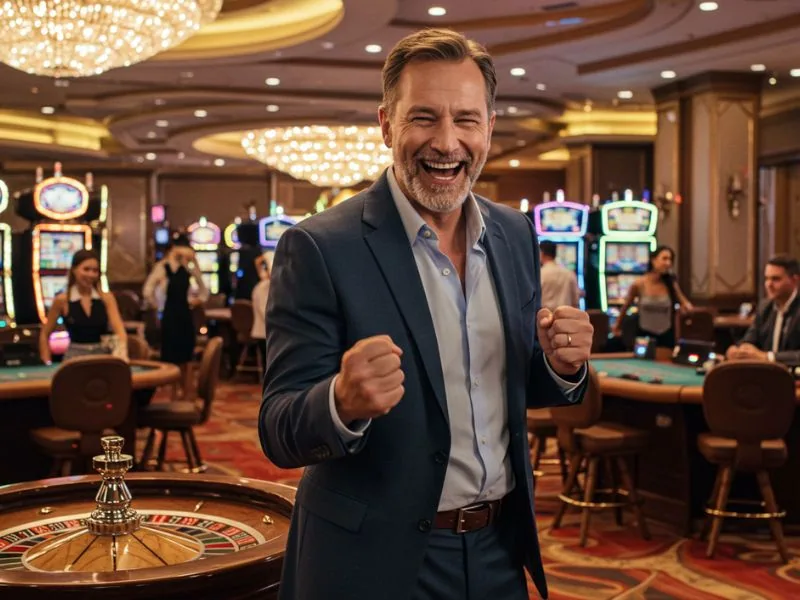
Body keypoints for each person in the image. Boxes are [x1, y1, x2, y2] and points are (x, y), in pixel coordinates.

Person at [260, 29, 593, 600]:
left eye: (466, 119)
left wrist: (561, 367)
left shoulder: (515, 234)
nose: (446, 142)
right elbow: (279, 429)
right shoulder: (319, 246)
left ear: (489, 126)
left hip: (497, 549)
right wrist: (339, 401)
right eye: (423, 118)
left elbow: (504, 383)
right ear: (387, 124)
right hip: (374, 561)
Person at [143, 233, 208, 397]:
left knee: (187, 355)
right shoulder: (162, 267)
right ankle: (172, 391)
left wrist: (197, 300)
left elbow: (203, 290)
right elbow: (147, 291)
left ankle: (186, 390)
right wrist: (158, 306)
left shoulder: (188, 268)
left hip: (185, 314)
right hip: (170, 315)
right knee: (171, 354)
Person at [39, 249, 127, 364]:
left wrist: (122, 355)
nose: (91, 274)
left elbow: (120, 332)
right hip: (74, 359)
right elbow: (45, 334)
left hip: (101, 357)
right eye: (86, 269)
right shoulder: (62, 300)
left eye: (95, 270)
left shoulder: (106, 298)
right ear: (74, 270)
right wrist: (47, 362)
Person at [612, 245, 693, 348]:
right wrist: (617, 326)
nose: (668, 263)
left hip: (666, 335)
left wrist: (686, 308)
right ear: (653, 260)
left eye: (670, 260)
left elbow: (685, 304)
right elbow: (626, 306)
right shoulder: (639, 283)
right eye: (664, 259)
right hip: (644, 333)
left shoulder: (671, 284)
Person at [726, 254, 800, 366]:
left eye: (776, 279)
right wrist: (738, 351)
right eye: (767, 279)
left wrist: (767, 357)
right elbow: (749, 340)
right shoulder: (765, 307)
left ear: (794, 281)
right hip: (765, 375)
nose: (768, 284)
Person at [539, 240, 580, 310]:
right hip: (566, 317)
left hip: (544, 318)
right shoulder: (569, 273)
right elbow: (575, 302)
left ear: (542, 253)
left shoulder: (540, 274)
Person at [234, 222, 262, 300]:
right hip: (256, 290)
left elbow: (241, 272)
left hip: (246, 292)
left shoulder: (244, 252)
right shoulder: (258, 251)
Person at [250, 259, 270, 355]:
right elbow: (265, 312)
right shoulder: (264, 286)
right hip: (263, 332)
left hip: (266, 332)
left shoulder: (266, 285)